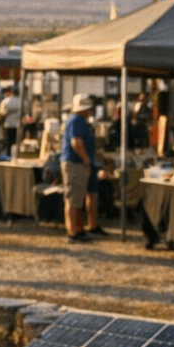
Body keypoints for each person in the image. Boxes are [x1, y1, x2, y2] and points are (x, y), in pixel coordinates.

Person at [61, 93, 98, 243]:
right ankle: (73, 232)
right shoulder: (76, 121)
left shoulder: (79, 120)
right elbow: (76, 142)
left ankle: (79, 229)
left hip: (77, 163)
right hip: (75, 163)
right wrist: (86, 158)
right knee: (73, 199)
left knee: (77, 198)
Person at [0, 85, 21, 156]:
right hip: (17, 124)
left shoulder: (5, 101)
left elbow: (1, 112)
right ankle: (16, 155)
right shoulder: (21, 101)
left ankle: (8, 154)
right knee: (16, 141)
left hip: (8, 124)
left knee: (8, 142)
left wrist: (8, 111)